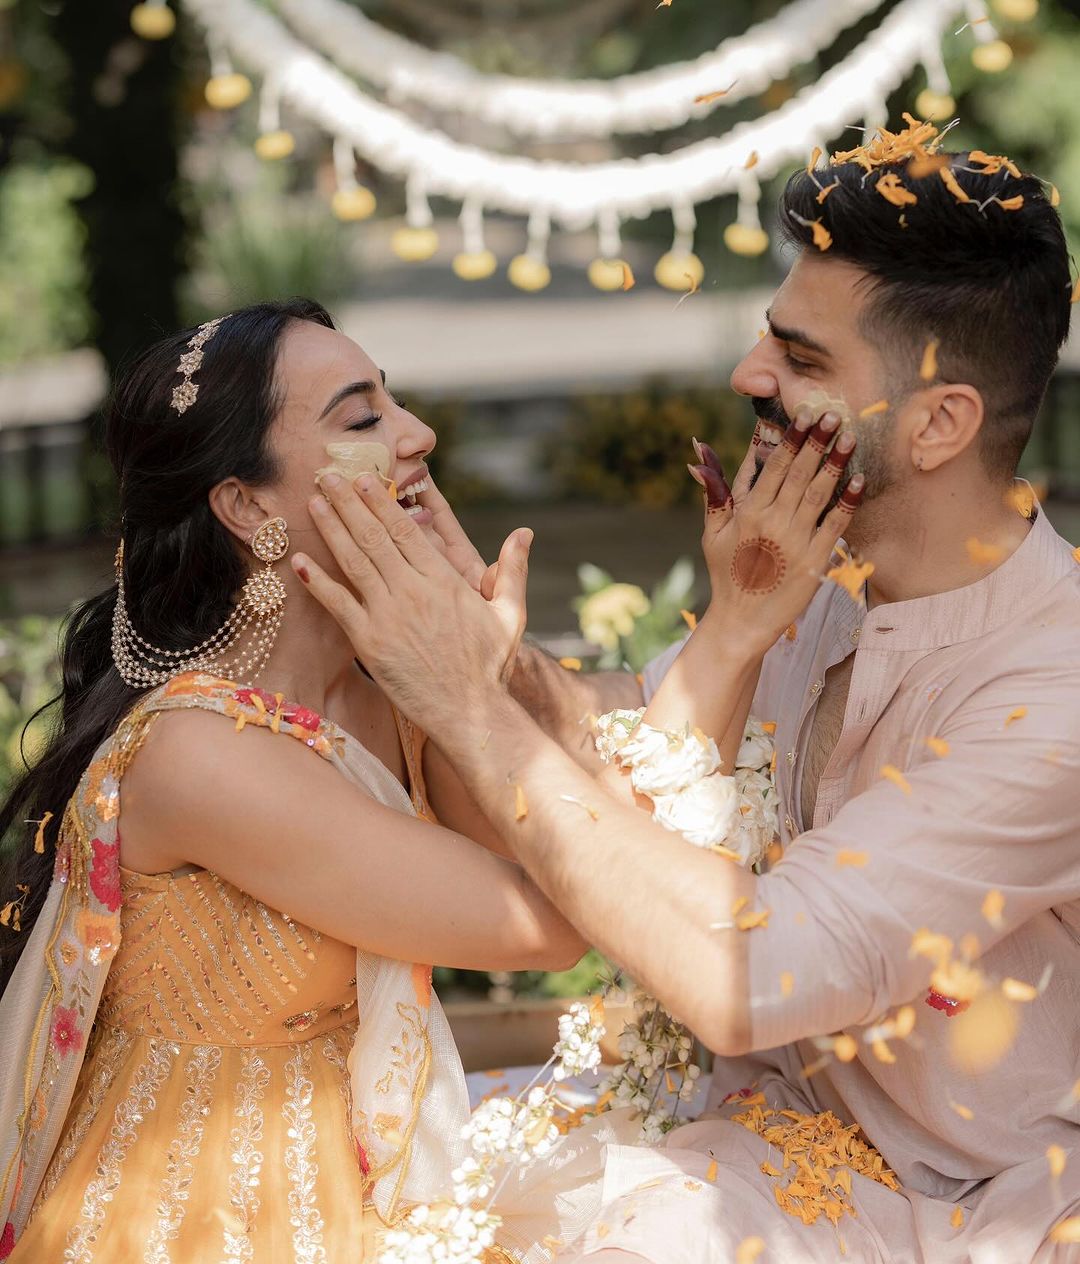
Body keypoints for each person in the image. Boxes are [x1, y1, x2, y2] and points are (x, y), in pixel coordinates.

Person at [291, 124, 1080, 1262]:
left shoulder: (1052, 695)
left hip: (969, 1206)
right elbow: (636, 752)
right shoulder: (820, 573)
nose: (747, 377)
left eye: (802, 362)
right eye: (769, 338)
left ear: (940, 421)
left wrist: (466, 705)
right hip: (762, 1148)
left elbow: (748, 977)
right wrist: (482, 642)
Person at [0, 298, 587, 1262]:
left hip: (357, 1169)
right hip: (204, 1220)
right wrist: (473, 687)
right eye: (363, 420)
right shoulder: (201, 754)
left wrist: (468, 668)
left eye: (391, 402)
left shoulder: (382, 691)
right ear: (247, 505)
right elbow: (551, 923)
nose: (418, 435)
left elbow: (548, 866)